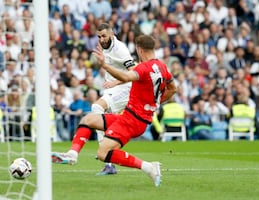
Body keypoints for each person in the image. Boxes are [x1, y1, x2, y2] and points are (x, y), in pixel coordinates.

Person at [52, 35, 177, 187]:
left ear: (140, 50)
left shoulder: (143, 68)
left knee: (103, 153)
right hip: (132, 117)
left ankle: (149, 167)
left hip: (133, 120)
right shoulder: (162, 67)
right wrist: (155, 102)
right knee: (88, 120)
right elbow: (173, 88)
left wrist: (104, 65)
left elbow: (127, 75)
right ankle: (72, 154)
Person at [87, 23, 136, 175]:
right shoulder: (103, 47)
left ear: (112, 34)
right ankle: (108, 156)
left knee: (97, 109)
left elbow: (133, 72)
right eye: (99, 37)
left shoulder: (120, 49)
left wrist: (115, 81)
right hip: (112, 89)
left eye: (104, 36)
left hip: (125, 87)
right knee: (100, 113)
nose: (101, 39)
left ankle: (107, 158)